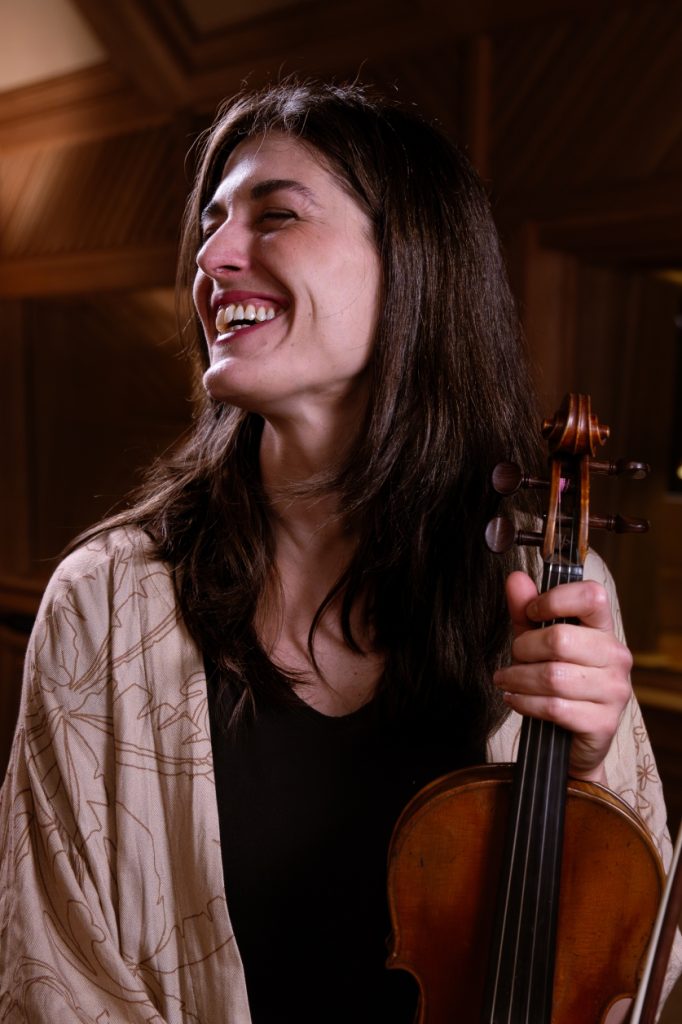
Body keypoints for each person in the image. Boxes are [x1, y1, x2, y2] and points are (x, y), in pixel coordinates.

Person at [0, 80, 678, 1024]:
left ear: (414, 265)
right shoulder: (104, 602)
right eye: (210, 223)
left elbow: (636, 976)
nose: (212, 255)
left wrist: (591, 764)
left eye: (275, 215)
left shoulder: (545, 582)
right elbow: (53, 969)